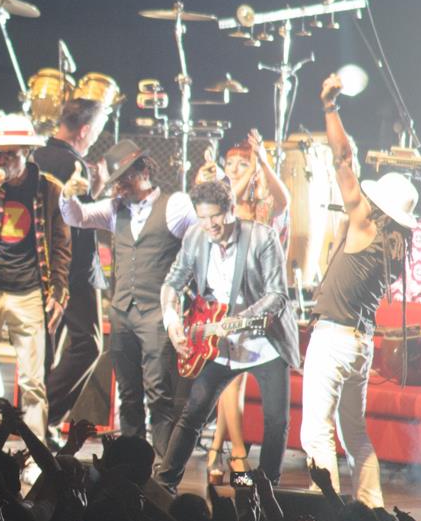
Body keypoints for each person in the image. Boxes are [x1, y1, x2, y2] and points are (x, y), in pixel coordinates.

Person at [298, 72, 420, 508]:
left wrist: (330, 107)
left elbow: (343, 158)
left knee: (316, 431)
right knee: (354, 433)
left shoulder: (365, 224)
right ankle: (371, 509)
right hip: (360, 343)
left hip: (334, 338)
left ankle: (325, 512)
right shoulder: (395, 244)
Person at [153, 180, 299, 492]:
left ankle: (264, 491)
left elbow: (277, 295)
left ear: (230, 210)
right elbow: (172, 282)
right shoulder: (195, 236)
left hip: (266, 342)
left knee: (276, 422)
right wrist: (171, 320)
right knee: (193, 412)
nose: (209, 225)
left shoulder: (262, 237)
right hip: (219, 346)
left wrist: (235, 322)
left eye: (215, 217)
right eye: (202, 218)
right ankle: (164, 485)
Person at [60, 139, 195, 448]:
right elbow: (77, 217)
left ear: (145, 171)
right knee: (128, 393)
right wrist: (68, 195)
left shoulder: (175, 205)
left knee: (158, 393)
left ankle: (163, 462)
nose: (119, 185)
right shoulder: (114, 209)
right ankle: (133, 459)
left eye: (125, 177)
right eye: (116, 180)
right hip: (122, 311)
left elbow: (200, 244)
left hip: (157, 312)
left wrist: (188, 294)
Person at [0, 113, 70, 442]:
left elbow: (62, 247)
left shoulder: (50, 189)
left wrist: (58, 292)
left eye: (11, 154)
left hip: (30, 293)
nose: (4, 161)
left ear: (27, 152)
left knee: (33, 383)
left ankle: (36, 454)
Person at [207, 130, 291, 481]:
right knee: (232, 377)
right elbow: (227, 198)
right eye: (230, 164)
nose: (234, 170)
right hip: (227, 303)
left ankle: (216, 450)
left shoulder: (264, 209)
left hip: (260, 303)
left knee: (238, 377)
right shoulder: (224, 209)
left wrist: (264, 164)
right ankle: (238, 454)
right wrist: (248, 169)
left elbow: (284, 200)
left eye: (242, 165)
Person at [33, 99, 108, 432]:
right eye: (97, 130)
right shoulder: (75, 165)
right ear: (85, 130)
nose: (96, 137)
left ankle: (39, 421)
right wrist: (98, 189)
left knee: (47, 349)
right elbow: (79, 220)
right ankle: (41, 416)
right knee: (89, 344)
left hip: (40, 265)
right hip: (74, 269)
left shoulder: (36, 156)